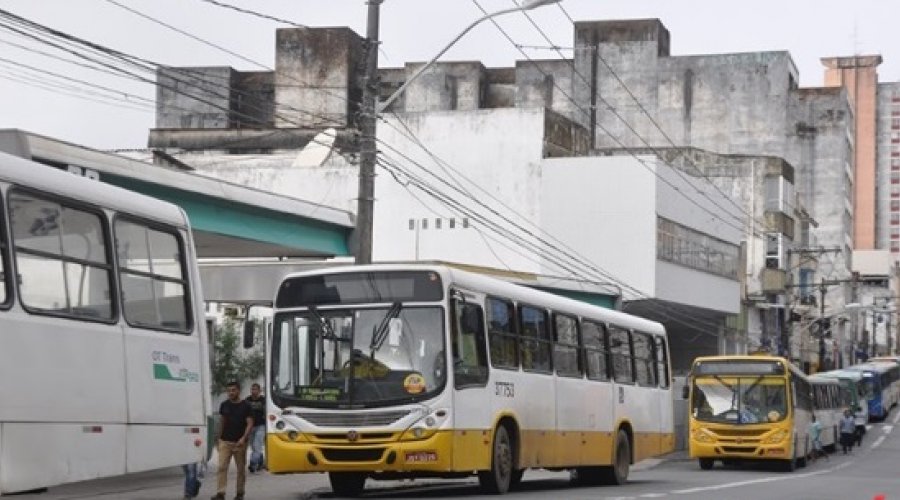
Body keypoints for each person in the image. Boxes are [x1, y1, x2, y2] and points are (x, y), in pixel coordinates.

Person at [212, 381, 253, 500]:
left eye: (233, 390)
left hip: (239, 443)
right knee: (221, 467)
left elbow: (250, 423)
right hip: (225, 442)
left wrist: (243, 438)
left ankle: (240, 494)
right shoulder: (224, 405)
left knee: (240, 470)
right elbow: (222, 421)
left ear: (238, 391)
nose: (230, 393)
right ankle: (220, 493)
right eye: (229, 391)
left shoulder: (246, 406)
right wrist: (218, 439)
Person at [245, 383, 266, 473]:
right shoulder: (247, 400)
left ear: (259, 391)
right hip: (250, 426)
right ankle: (261, 462)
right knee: (253, 446)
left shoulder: (263, 400)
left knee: (257, 445)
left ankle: (253, 464)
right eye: (252, 389)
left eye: (255, 389)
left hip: (260, 426)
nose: (253, 391)